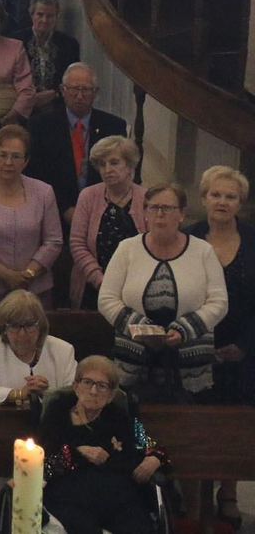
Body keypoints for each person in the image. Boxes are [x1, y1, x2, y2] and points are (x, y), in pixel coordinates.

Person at [100, 182, 228, 400]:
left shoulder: (202, 251)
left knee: (186, 428)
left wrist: (184, 329)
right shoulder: (127, 249)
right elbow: (106, 299)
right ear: (145, 212)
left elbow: (219, 302)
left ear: (181, 214)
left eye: (167, 208)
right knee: (138, 431)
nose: (160, 214)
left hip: (188, 363)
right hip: (134, 361)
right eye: (153, 207)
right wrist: (144, 330)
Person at [0, 291, 79, 525]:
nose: (21, 334)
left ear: (41, 325)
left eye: (28, 326)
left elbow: (75, 394)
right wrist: (16, 394)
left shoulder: (63, 350)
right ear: (3, 328)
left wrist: (49, 393)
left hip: (51, 449)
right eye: (13, 327)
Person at [187, 167, 255, 520]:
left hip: (245, 349)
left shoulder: (254, 240)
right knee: (197, 423)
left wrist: (244, 346)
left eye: (230, 196)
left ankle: (229, 493)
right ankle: (195, 491)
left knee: (235, 424)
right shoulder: (188, 238)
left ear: (240, 203)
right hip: (193, 345)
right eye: (216, 195)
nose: (222, 202)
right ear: (203, 198)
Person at [38, 355, 169, 534]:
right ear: (75, 386)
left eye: (102, 386)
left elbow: (153, 446)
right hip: (70, 499)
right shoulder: (57, 416)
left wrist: (155, 458)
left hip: (120, 501)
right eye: (87, 382)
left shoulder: (121, 418)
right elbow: (42, 465)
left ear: (111, 395)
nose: (93, 391)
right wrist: (77, 453)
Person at [0, 125, 63, 312]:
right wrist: (4, 274)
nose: (8, 162)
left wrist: (29, 274)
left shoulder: (44, 192)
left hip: (35, 293)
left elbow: (53, 241)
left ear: (26, 161)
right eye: (3, 155)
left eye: (16, 156)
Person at [27, 62, 128, 219]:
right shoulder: (40, 126)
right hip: (53, 214)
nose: (80, 96)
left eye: (86, 90)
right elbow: (37, 175)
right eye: (74, 89)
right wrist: (65, 209)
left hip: (102, 214)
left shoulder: (113, 127)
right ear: (62, 90)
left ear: (95, 92)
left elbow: (123, 175)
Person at [67, 134, 148, 309]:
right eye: (102, 164)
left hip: (136, 288)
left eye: (114, 162)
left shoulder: (146, 198)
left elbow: (152, 245)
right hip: (93, 286)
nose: (107, 169)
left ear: (130, 165)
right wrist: (100, 280)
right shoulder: (88, 196)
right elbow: (77, 243)